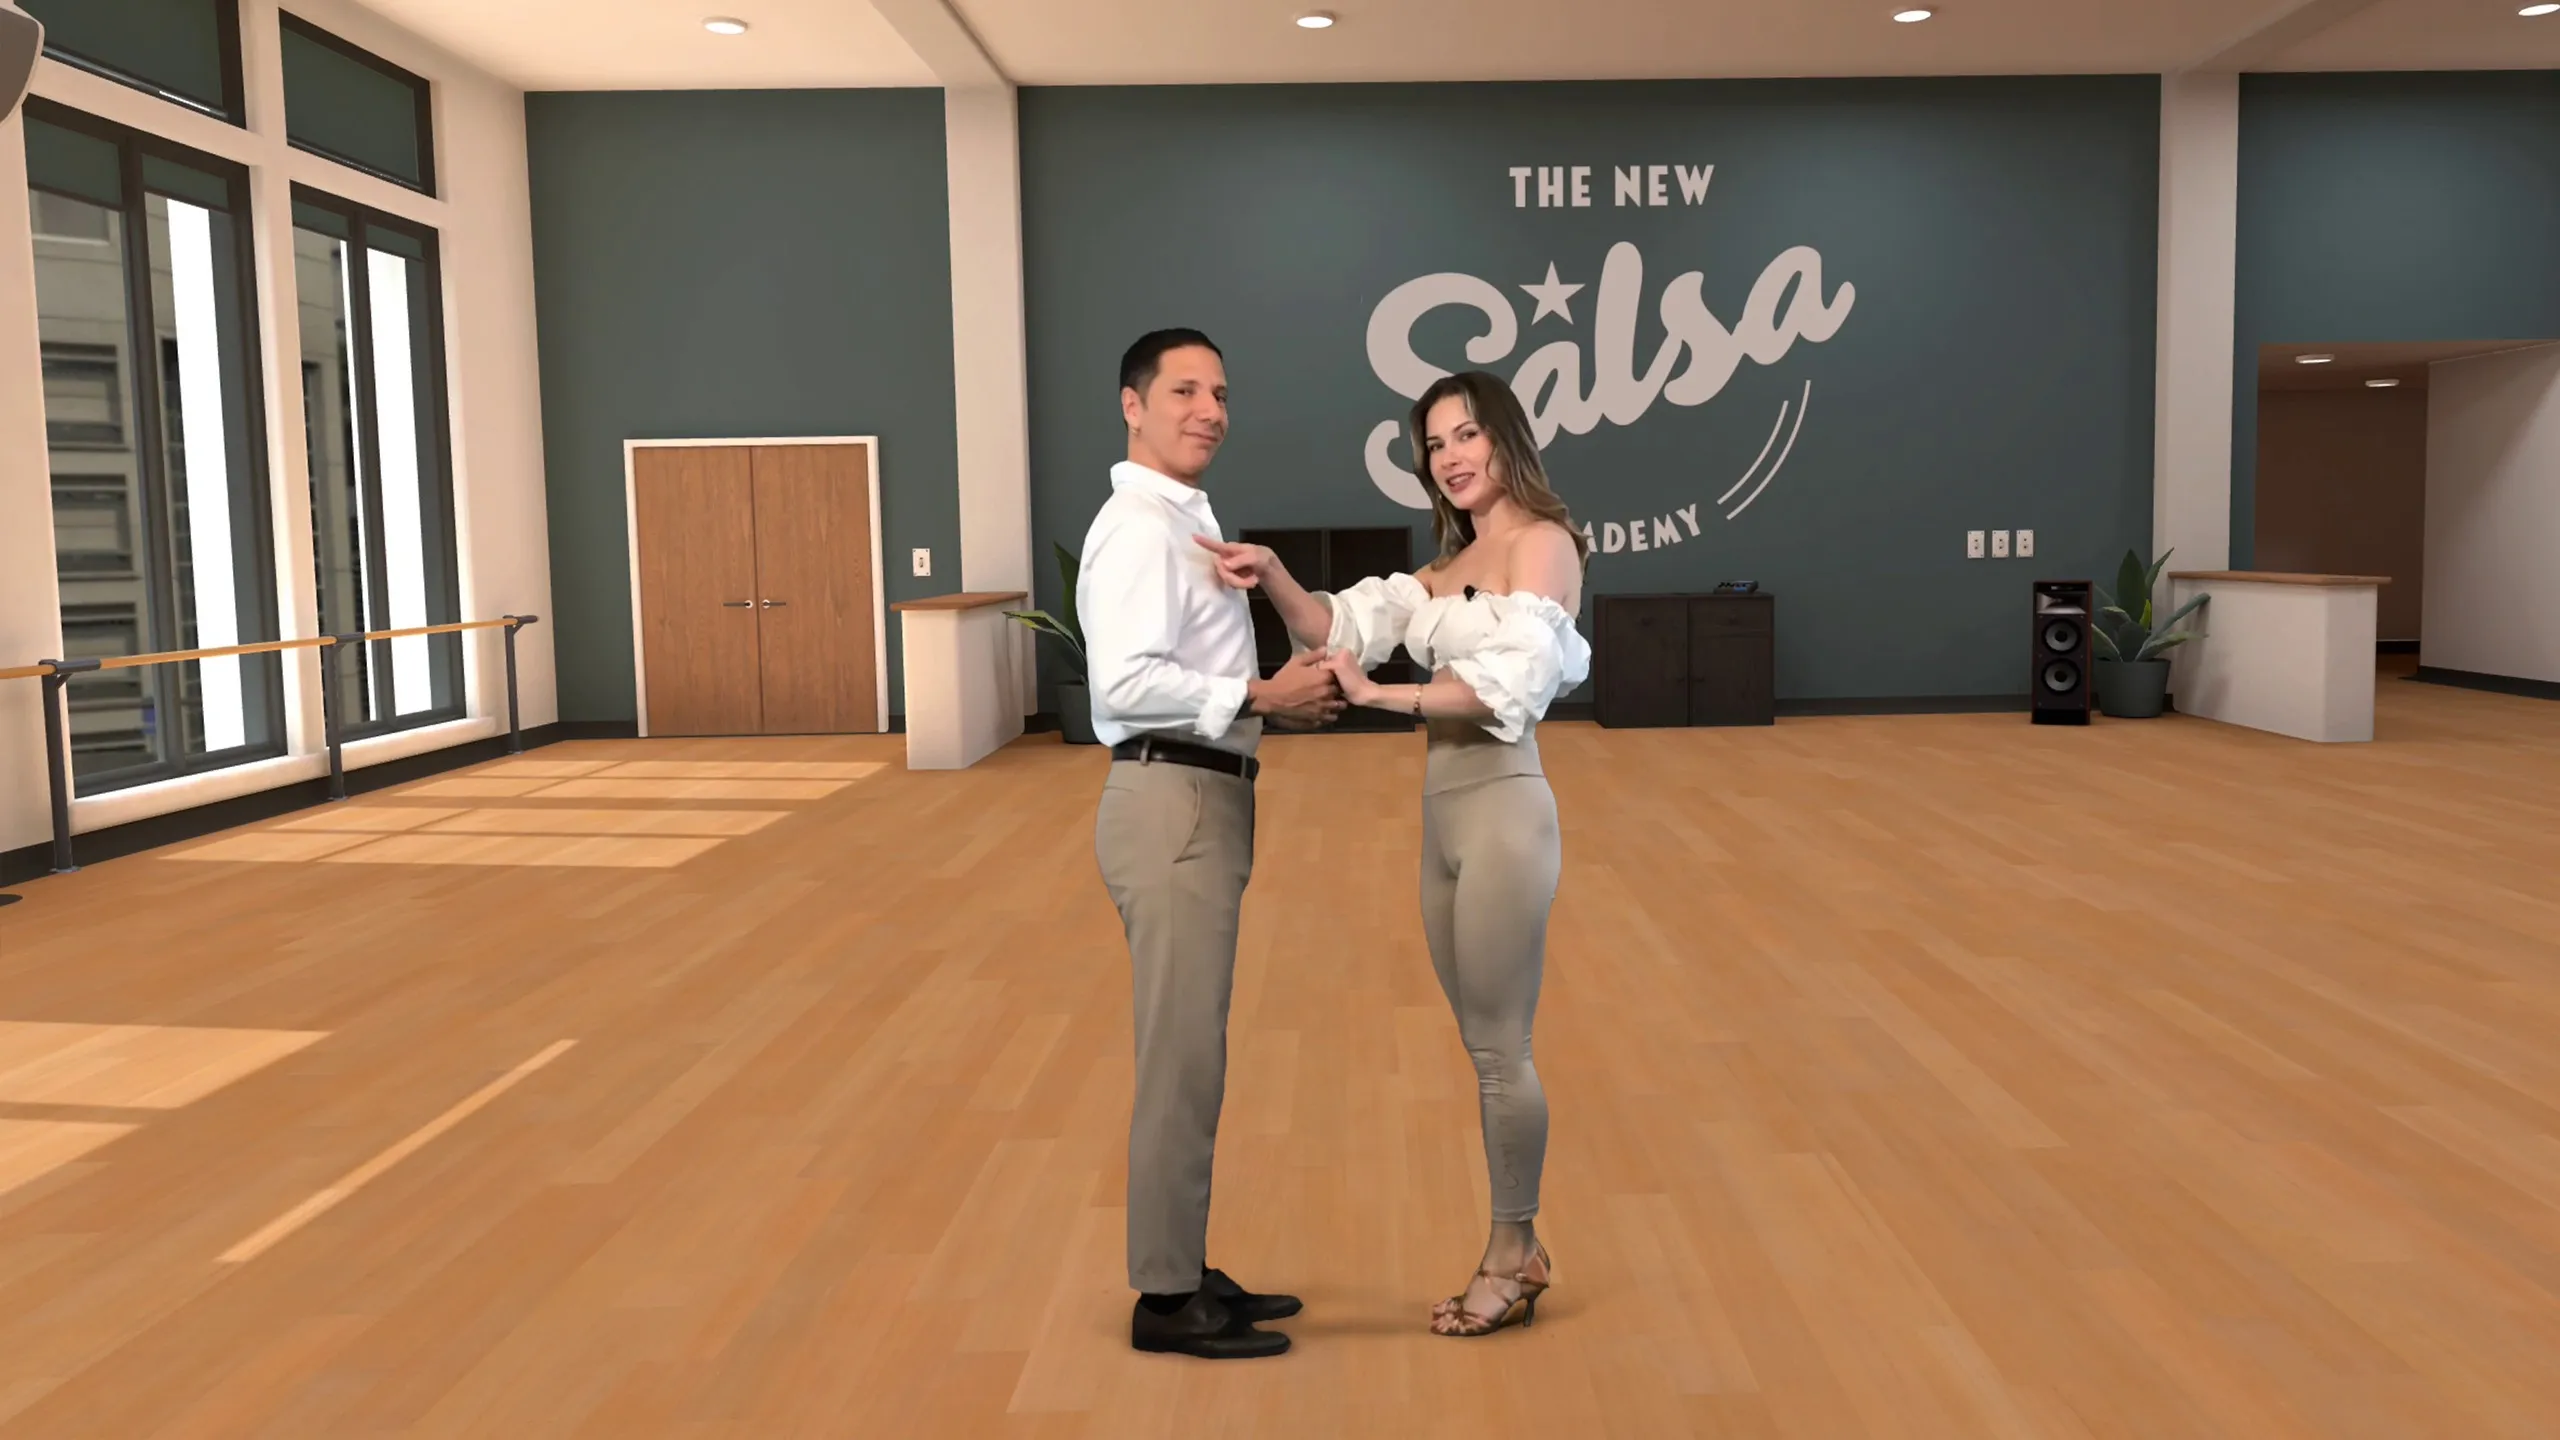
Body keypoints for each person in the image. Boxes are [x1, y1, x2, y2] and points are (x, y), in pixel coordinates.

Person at [1196, 369, 1589, 1338]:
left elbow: (1510, 687)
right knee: (1480, 1046)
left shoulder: (1543, 545)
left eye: (1466, 435)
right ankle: (1520, 1244)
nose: (1450, 457)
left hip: (1504, 812)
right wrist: (1273, 573)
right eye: (1434, 444)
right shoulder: (1443, 567)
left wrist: (1382, 699)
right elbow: (1340, 626)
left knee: (1501, 1050)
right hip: (1444, 820)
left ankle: (1513, 1253)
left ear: (1505, 438)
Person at [1078, 328, 1346, 1359]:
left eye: (1222, 394)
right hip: (1172, 801)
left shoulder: (1183, 519)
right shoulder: (1139, 528)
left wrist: (1265, 703)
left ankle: (1183, 1264)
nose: (1210, 411)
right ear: (1131, 405)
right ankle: (1163, 1297)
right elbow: (1125, 683)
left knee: (1196, 1048)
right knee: (1180, 1055)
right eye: (1184, 391)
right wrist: (1262, 694)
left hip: (1199, 795)